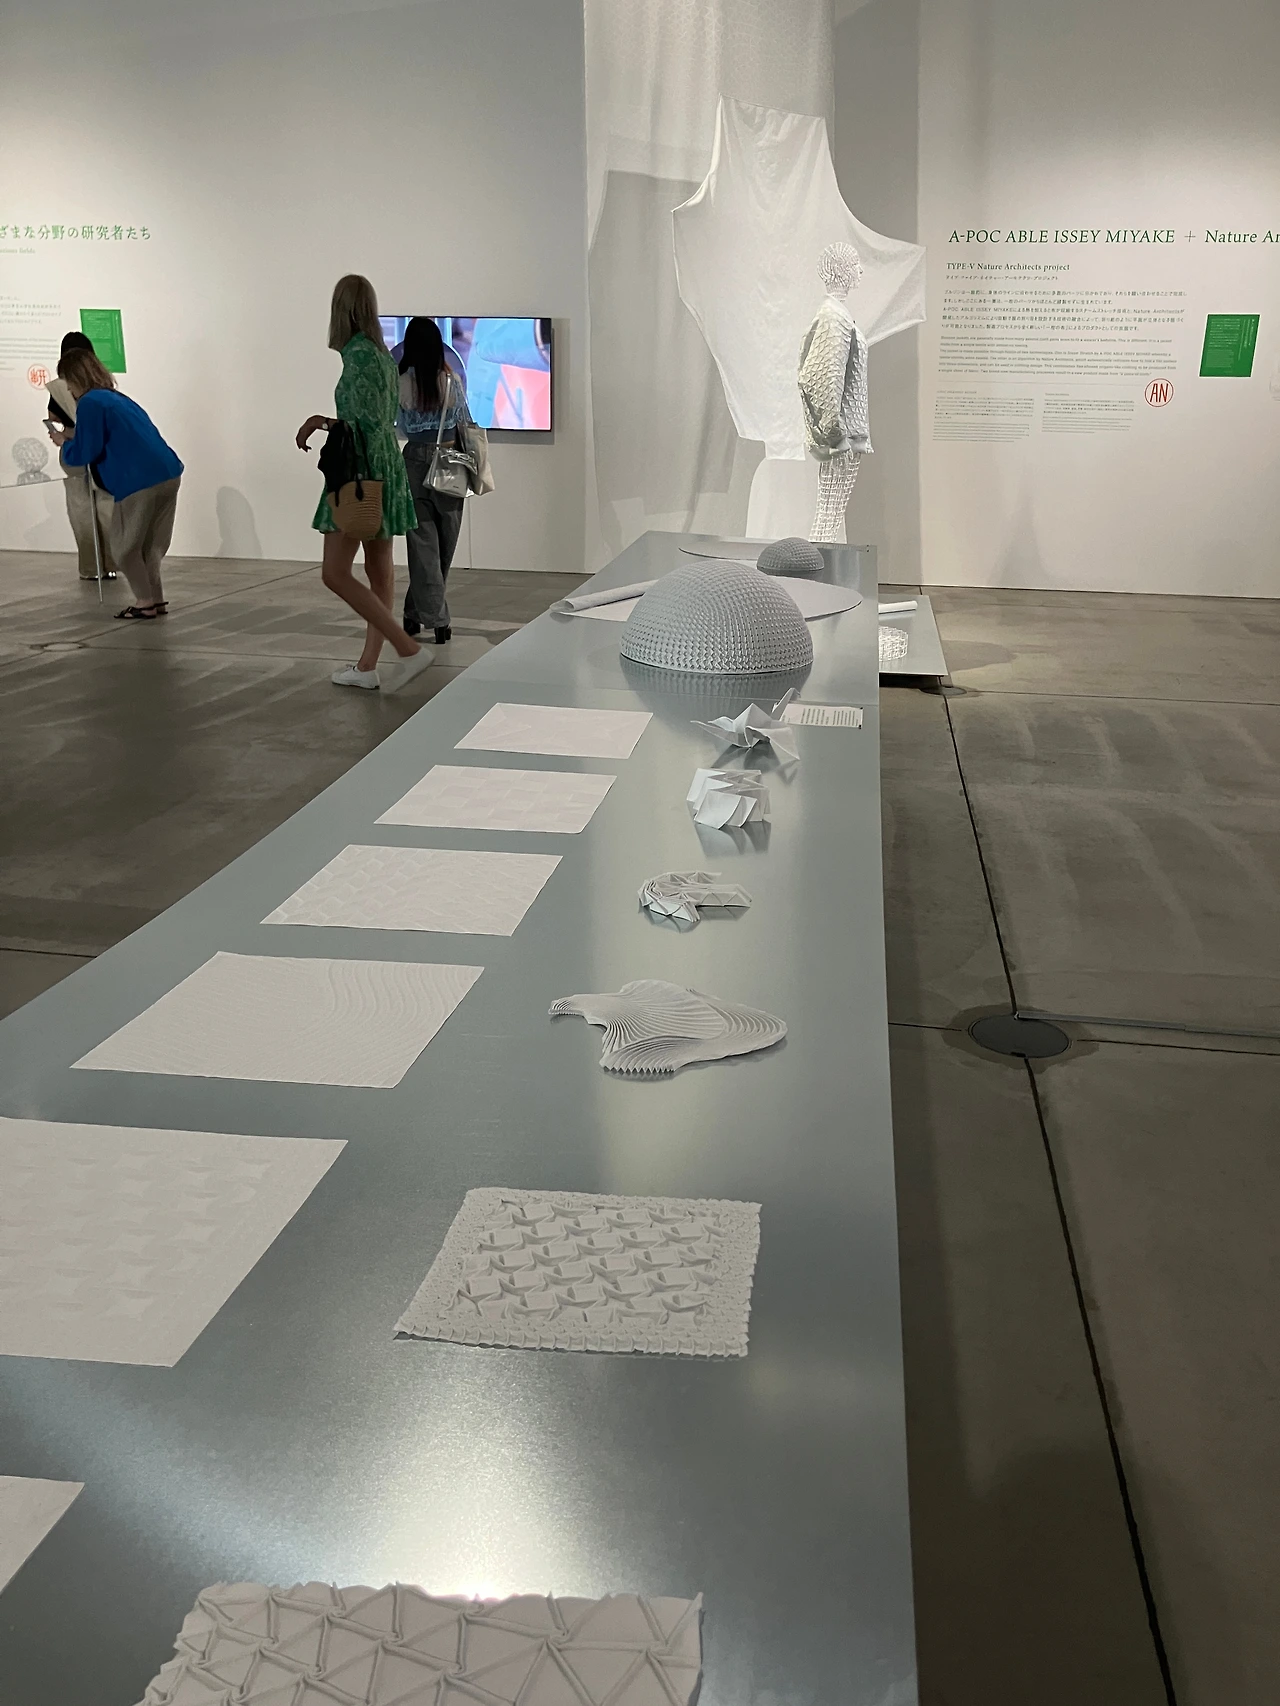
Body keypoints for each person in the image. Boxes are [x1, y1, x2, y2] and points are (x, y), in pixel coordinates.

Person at [295, 275, 429, 691]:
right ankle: (368, 666)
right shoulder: (382, 355)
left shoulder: (359, 356)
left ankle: (406, 649)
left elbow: (360, 425)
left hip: (359, 469)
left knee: (335, 572)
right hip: (384, 464)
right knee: (379, 571)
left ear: (342, 310)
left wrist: (321, 422)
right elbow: (374, 419)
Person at [51, 348, 182, 618]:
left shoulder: (89, 403)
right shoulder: (116, 398)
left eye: (68, 382)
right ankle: (155, 600)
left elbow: (86, 452)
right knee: (151, 547)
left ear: (74, 378)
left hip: (137, 479)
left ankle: (145, 602)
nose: (69, 390)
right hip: (168, 472)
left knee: (124, 549)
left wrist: (65, 444)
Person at [397, 316, 469, 644]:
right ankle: (439, 621)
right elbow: (466, 420)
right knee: (443, 545)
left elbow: (399, 424)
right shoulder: (451, 381)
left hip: (414, 460)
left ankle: (414, 613)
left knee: (423, 544)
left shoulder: (401, 383)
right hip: (450, 460)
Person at [45, 331, 117, 582]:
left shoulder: (60, 386)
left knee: (80, 508)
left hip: (71, 444)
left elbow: (53, 417)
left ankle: (90, 567)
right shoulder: (101, 382)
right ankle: (112, 564)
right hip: (102, 449)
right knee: (107, 505)